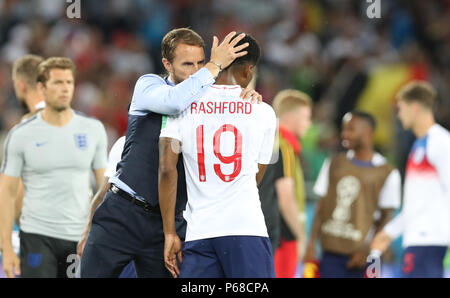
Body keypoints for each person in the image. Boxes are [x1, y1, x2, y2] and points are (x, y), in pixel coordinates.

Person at [80, 28, 261, 278]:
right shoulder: (148, 85)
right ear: (167, 63)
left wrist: (245, 97)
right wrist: (214, 65)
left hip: (166, 225)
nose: (197, 70)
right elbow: (175, 101)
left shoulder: (205, 97)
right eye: (188, 64)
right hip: (122, 213)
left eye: (200, 62)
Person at [159, 33, 276, 278]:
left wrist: (169, 232)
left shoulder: (181, 104)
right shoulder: (263, 112)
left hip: (200, 232)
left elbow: (167, 169)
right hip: (247, 229)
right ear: (249, 70)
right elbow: (257, 176)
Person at [0, 57, 108, 278]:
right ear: (41, 87)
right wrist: (7, 247)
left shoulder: (93, 130)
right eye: (58, 83)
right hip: (37, 236)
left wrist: (100, 235)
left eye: (69, 82)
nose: (65, 88)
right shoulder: (21, 134)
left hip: (78, 236)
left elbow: (103, 188)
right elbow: (8, 192)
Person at [305, 110, 401, 278]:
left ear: (368, 132)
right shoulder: (334, 163)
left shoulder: (388, 172)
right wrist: (312, 243)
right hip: (331, 253)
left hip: (369, 258)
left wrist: (369, 250)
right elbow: (322, 205)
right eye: (343, 129)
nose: (344, 134)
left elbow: (387, 217)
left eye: (350, 129)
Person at [371, 81, 450, 278]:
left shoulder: (440, 142)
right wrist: (389, 231)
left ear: (415, 107)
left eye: (401, 109)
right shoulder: (418, 147)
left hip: (430, 240)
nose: (398, 115)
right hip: (416, 239)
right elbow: (416, 203)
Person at [259, 89, 313, 278]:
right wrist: (301, 235)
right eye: (306, 117)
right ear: (290, 117)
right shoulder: (284, 146)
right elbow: (286, 196)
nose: (309, 123)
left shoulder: (267, 139)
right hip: (282, 234)